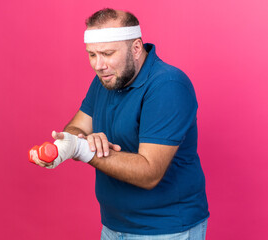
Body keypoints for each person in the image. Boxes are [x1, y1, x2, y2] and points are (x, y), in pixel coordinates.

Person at [32, 8, 209, 239]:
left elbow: (149, 172)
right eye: (92, 54)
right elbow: (77, 128)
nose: (98, 65)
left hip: (166, 230)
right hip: (113, 225)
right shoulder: (107, 79)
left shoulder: (168, 85)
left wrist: (82, 148)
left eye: (107, 53)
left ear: (136, 48)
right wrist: (80, 140)